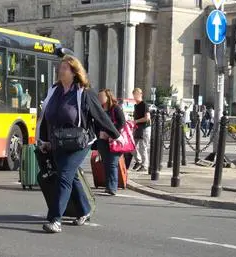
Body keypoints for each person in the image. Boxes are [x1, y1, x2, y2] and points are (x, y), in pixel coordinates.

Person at [37, 55, 121, 233]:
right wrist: (44, 140)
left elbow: (100, 116)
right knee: (71, 176)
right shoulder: (54, 91)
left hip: (79, 142)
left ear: (75, 72)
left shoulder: (84, 92)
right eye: (60, 67)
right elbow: (45, 117)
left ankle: (55, 220)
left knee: (64, 176)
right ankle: (84, 209)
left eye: (65, 68)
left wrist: (115, 134)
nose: (61, 71)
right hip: (58, 142)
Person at [97, 89, 126, 196]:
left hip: (115, 140)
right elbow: (96, 125)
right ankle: (108, 186)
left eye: (101, 96)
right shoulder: (99, 110)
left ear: (107, 97)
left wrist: (111, 134)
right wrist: (99, 134)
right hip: (102, 140)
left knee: (112, 163)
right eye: (98, 96)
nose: (99, 98)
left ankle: (112, 187)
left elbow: (122, 123)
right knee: (106, 163)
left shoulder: (115, 108)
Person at [132, 88, 151, 172]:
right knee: (131, 146)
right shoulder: (136, 105)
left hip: (145, 128)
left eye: (136, 94)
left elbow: (147, 118)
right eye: (134, 94)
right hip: (137, 128)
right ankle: (139, 161)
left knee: (143, 147)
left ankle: (145, 165)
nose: (135, 96)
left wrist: (136, 121)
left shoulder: (144, 104)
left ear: (140, 94)